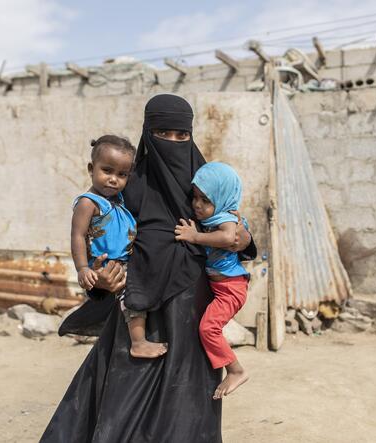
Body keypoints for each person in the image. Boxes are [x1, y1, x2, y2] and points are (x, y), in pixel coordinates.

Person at [41, 94, 256, 443]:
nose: (172, 143)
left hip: (191, 311)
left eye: (181, 136)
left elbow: (233, 227)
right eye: (162, 134)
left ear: (191, 136)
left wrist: (243, 237)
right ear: (147, 132)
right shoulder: (129, 184)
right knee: (123, 404)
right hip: (141, 309)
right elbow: (102, 241)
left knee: (186, 406)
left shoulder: (202, 181)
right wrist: (101, 281)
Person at [71, 135, 167, 359]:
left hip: (125, 261)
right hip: (108, 264)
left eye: (122, 174)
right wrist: (83, 268)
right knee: (132, 300)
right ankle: (138, 342)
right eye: (107, 171)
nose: (113, 179)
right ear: (91, 168)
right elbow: (78, 235)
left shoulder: (118, 199)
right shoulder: (89, 203)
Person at [174, 162, 250, 400]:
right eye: (195, 197)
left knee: (209, 328)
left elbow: (229, 237)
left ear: (222, 196)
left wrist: (195, 236)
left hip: (231, 288)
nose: (197, 204)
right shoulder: (215, 216)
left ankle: (236, 370)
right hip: (221, 287)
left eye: (205, 200)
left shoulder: (226, 217)